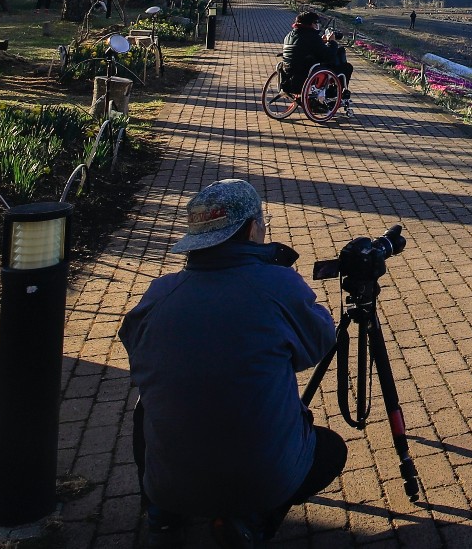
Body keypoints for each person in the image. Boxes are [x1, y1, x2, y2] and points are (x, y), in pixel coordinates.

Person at [119, 180, 346, 546]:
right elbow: (318, 343)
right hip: (262, 481)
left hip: (169, 485)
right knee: (331, 450)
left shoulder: (159, 293)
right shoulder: (278, 284)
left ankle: (161, 515)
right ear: (253, 228)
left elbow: (137, 352)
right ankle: (253, 519)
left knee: (146, 407)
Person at [278, 11, 353, 115]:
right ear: (310, 24)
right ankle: (335, 94)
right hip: (306, 75)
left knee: (338, 57)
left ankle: (333, 92)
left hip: (290, 76)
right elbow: (328, 56)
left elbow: (306, 49)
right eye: (315, 23)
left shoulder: (289, 36)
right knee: (346, 67)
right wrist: (332, 42)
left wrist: (321, 43)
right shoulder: (311, 36)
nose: (316, 26)